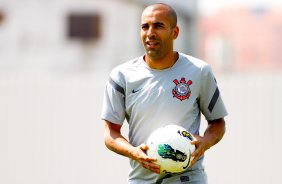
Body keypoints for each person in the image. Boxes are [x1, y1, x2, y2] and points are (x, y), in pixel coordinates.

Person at [101, 3, 228, 184]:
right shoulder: (121, 76)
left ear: (175, 32)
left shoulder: (199, 71)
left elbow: (218, 123)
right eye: (145, 26)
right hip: (141, 180)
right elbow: (110, 134)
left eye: (158, 26)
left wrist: (205, 142)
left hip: (188, 179)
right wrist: (134, 152)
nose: (150, 32)